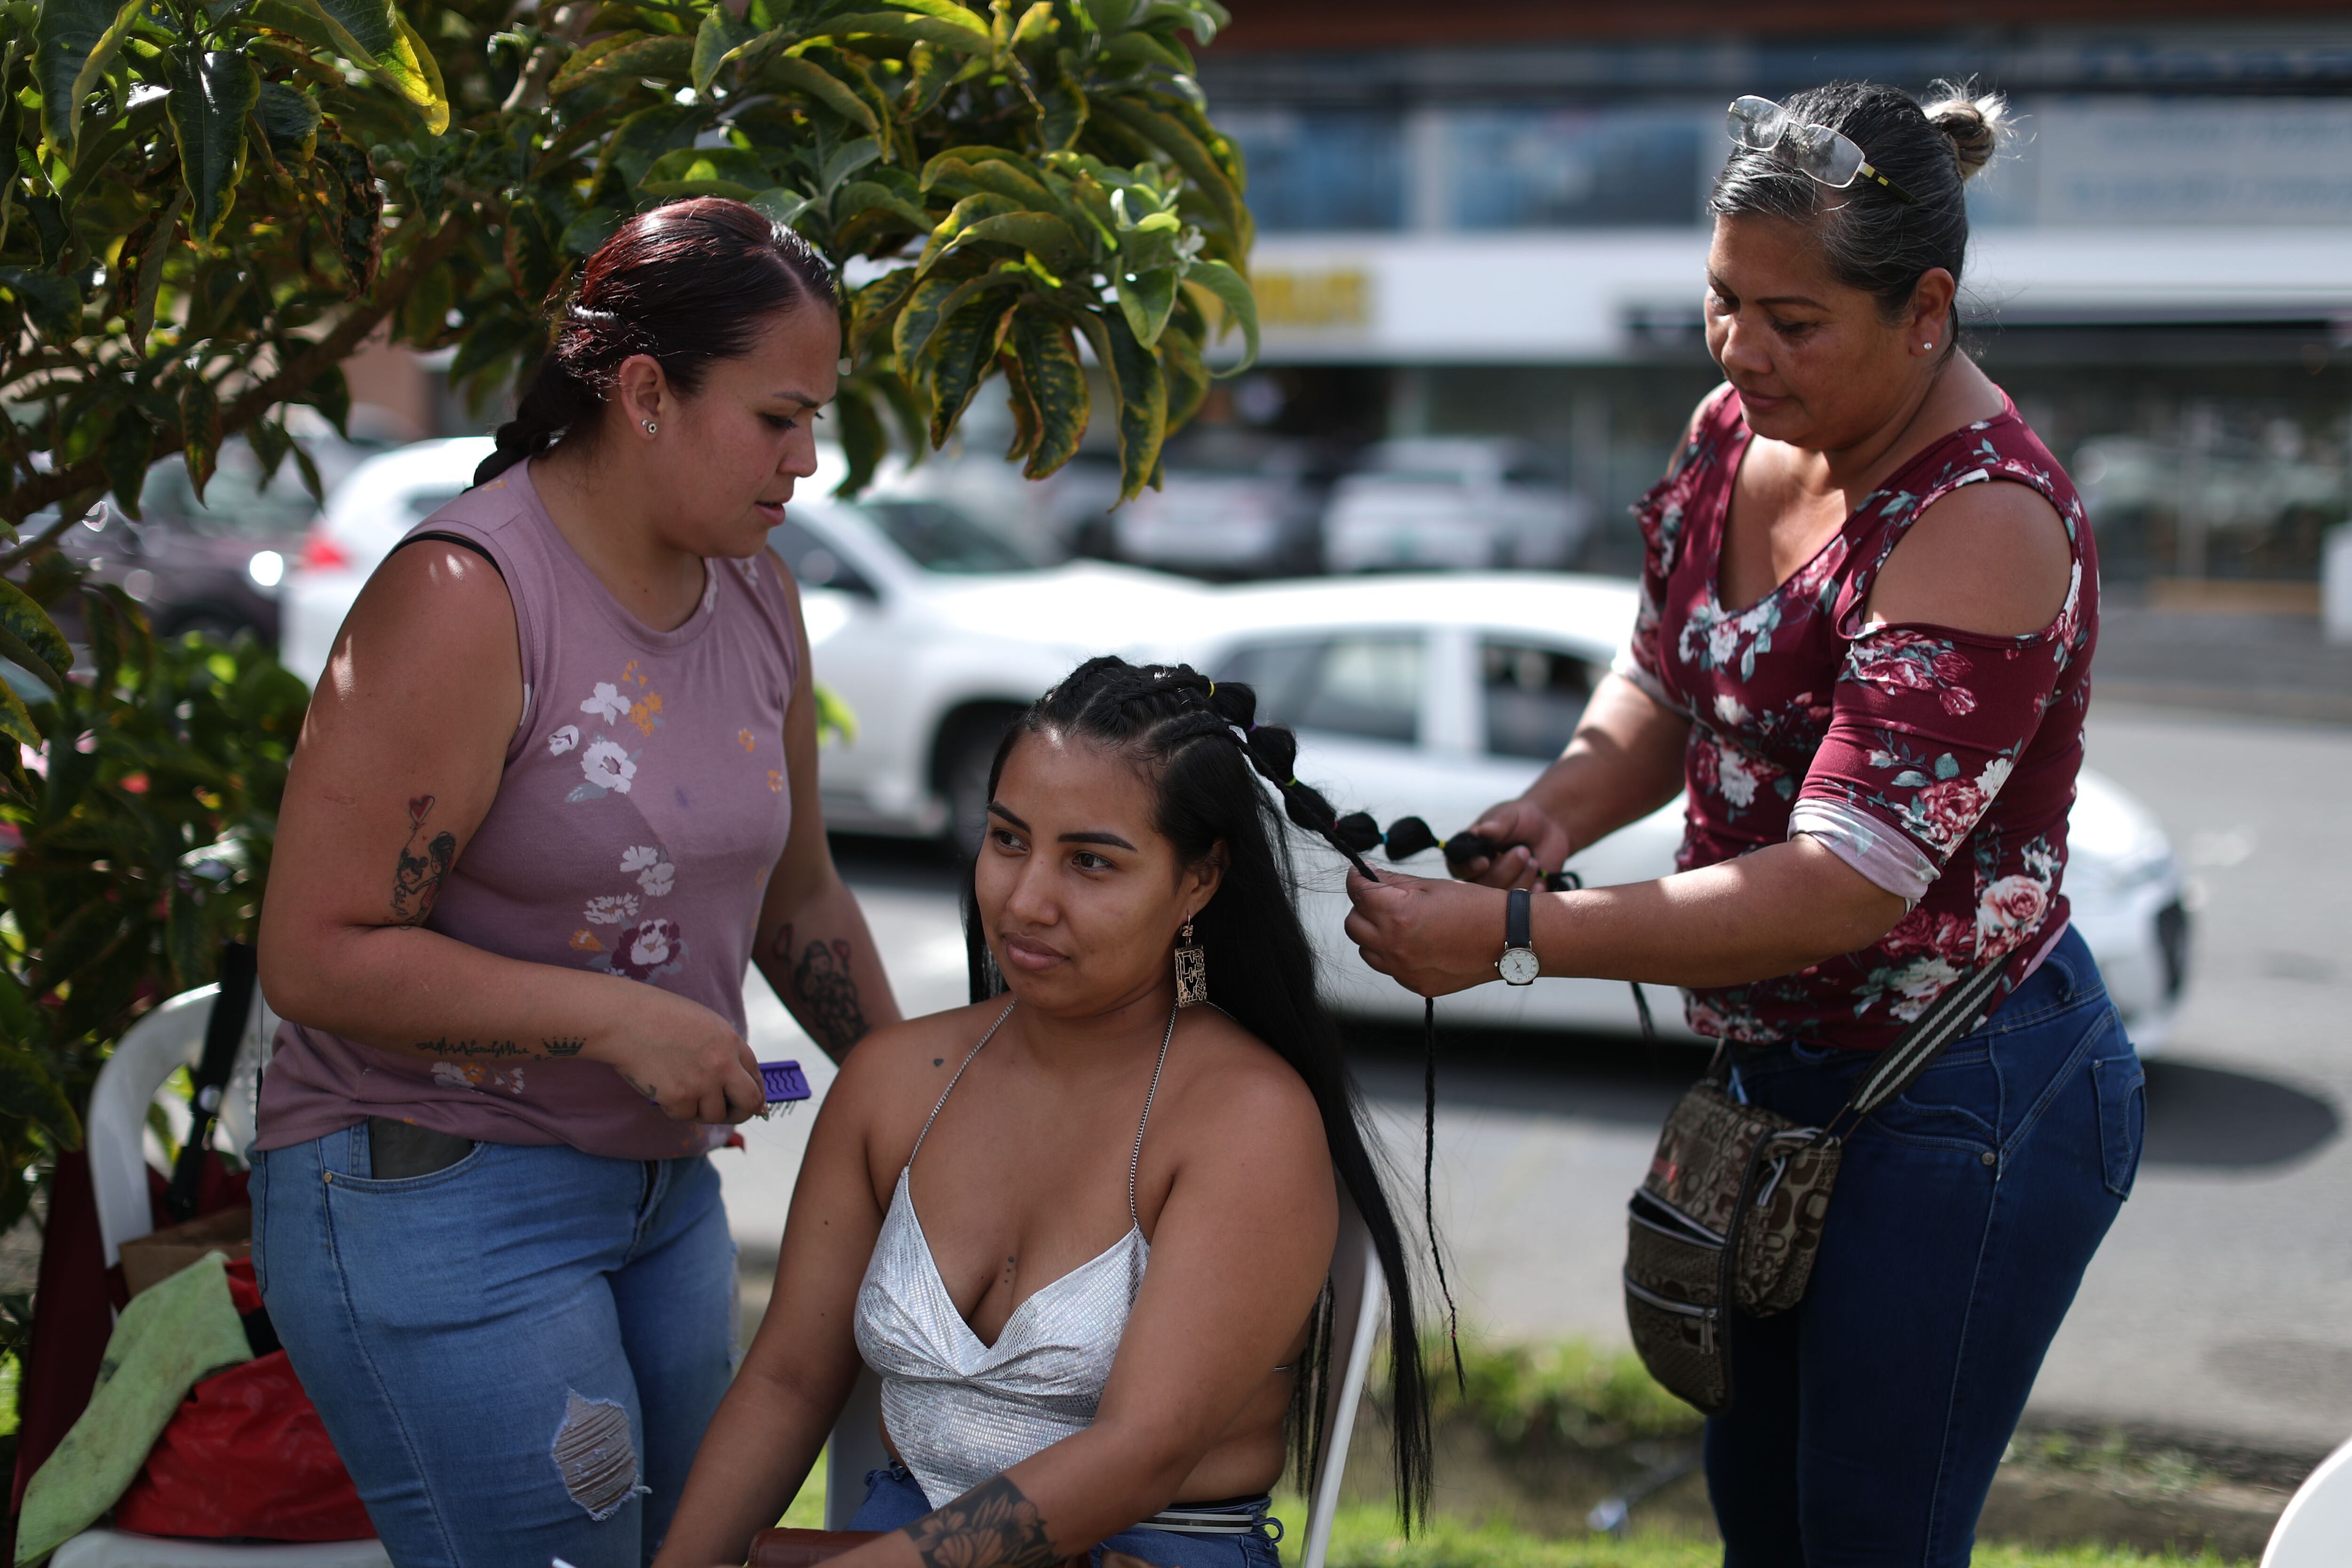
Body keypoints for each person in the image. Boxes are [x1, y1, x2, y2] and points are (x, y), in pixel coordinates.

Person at [1343, 81, 2144, 1566]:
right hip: (1784, 1073)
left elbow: (1849, 879)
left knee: (1866, 1536)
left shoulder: (1983, 517)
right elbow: (1668, 672)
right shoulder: (1737, 426)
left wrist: (1516, 934)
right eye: (1723, 302)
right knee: (1761, 1517)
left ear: (1926, 311)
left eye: (1793, 319)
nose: (1742, 350)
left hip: (1966, 1089)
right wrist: (1555, 808)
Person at [251, 198, 903, 1568]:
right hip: (439, 1188)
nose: (806, 462)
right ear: (648, 393)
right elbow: (315, 954)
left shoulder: (758, 590)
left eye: (817, 422)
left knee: (686, 1551)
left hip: (659, 1194)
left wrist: (920, 1097)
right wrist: (618, 1017)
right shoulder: (466, 594)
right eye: (779, 418)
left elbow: (802, 900)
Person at [652, 658, 1434, 1568]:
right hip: (890, 1537)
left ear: (1199, 880)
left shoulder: (1245, 1120)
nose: (1026, 900)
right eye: (1008, 839)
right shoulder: (897, 1079)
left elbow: (1137, 1455)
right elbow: (788, 1381)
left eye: (1092, 861)